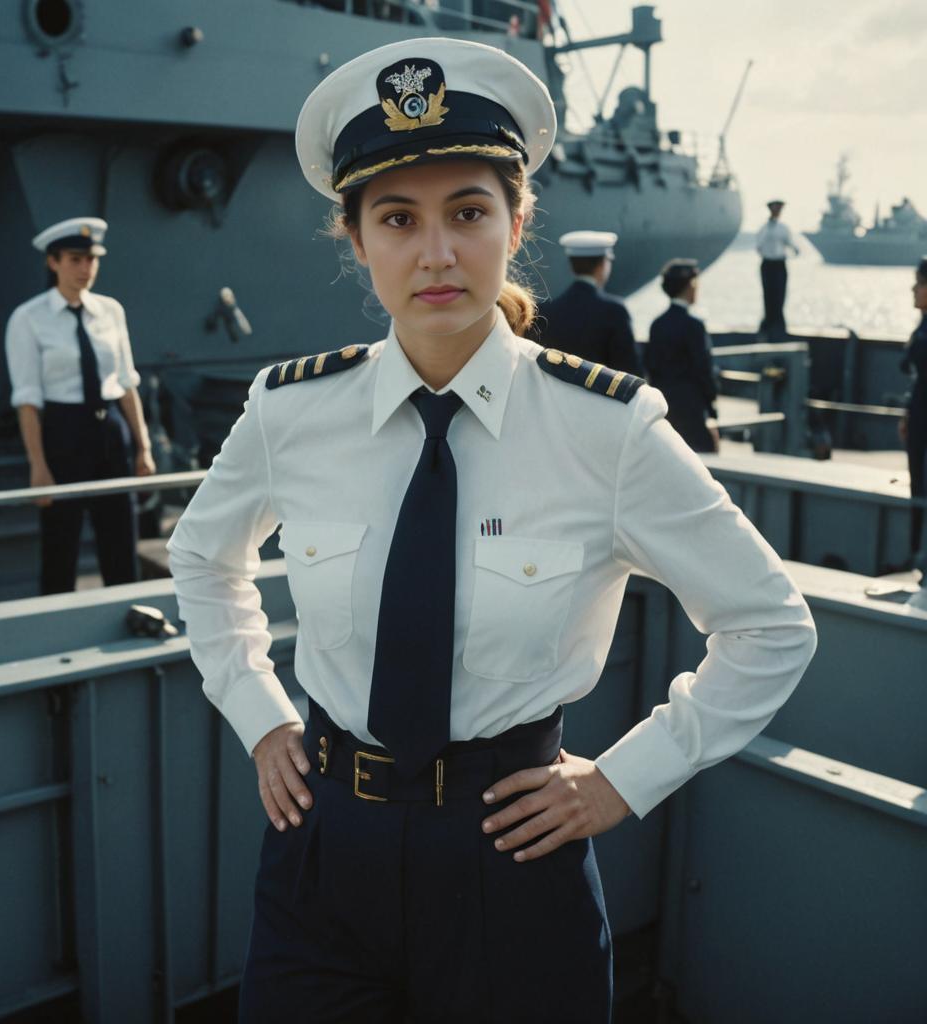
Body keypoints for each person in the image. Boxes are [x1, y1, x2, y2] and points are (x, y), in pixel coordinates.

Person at [167, 38, 817, 1022]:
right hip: (321, 855)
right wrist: (260, 717)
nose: (435, 252)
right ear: (355, 239)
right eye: (397, 218)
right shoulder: (290, 411)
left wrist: (621, 780)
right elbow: (202, 559)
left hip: (514, 859)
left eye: (467, 212)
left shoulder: (607, 429)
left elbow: (771, 625)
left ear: (516, 223)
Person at [5, 218, 155, 595]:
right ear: (53, 262)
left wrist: (143, 447)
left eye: (92, 259)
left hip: (110, 431)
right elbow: (27, 399)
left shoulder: (110, 311)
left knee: (120, 538)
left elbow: (125, 383)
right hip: (62, 433)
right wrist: (38, 466)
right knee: (61, 543)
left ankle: (130, 619)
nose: (86, 269)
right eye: (75, 259)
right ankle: (55, 631)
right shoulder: (28, 319)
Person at [532, 230, 644, 375]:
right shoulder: (614, 311)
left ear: (572, 266)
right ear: (602, 265)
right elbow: (629, 370)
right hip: (600, 396)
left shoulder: (545, 311)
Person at [645, 258, 720, 453]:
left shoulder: (657, 325)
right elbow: (703, 369)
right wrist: (711, 402)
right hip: (692, 407)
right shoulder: (694, 325)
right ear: (689, 286)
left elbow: (651, 367)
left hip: (666, 407)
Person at [899, 256, 927, 564]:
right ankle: (916, 555)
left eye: (920, 283)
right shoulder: (922, 326)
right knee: (917, 485)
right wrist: (907, 413)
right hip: (919, 414)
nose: (913, 289)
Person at [755, 199, 799, 339]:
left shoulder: (783, 228)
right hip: (768, 264)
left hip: (780, 264)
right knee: (768, 295)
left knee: (780, 294)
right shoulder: (764, 228)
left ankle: (778, 325)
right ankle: (768, 324)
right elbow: (759, 246)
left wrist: (795, 251)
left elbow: (790, 243)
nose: (777, 212)